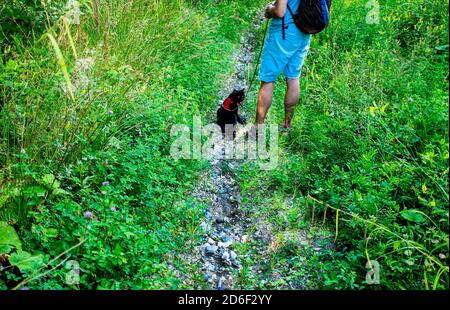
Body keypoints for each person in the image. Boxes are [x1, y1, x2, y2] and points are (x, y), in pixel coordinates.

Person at [255, 0, 311, 130]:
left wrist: (269, 9)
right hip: (304, 32)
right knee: (293, 77)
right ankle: (287, 125)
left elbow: (280, 12)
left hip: (284, 32)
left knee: (268, 78)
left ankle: (258, 128)